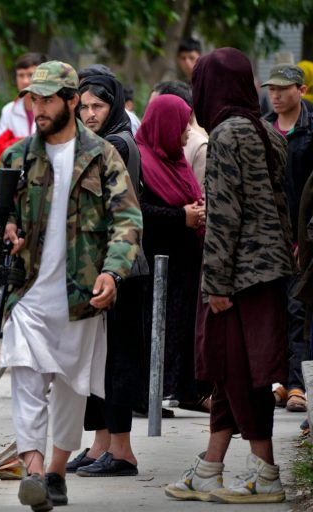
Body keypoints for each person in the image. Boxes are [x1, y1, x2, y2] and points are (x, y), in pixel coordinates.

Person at [0, 61, 142, 509]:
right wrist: (9, 227)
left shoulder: (102, 154)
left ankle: (55, 471)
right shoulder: (17, 156)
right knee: (25, 378)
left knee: (72, 389)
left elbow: (128, 220)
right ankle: (34, 468)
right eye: (34, 99)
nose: (38, 107)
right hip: (28, 293)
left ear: (72, 100)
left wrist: (113, 272)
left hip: (80, 295)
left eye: (48, 98)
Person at [165, 48, 294, 504]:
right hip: (270, 273)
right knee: (229, 370)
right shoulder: (267, 132)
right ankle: (209, 468)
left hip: (237, 279)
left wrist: (216, 283)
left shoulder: (225, 135)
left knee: (239, 373)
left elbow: (223, 216)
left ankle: (267, 472)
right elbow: (282, 210)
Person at [66, 73, 147, 478]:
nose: (89, 113)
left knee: (116, 360)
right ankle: (101, 444)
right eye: (83, 106)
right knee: (97, 359)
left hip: (120, 269)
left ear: (113, 106)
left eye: (97, 106)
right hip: (99, 268)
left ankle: (123, 451)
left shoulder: (117, 143)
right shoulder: (97, 142)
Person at [137, 94, 208, 415]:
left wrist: (197, 211)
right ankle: (151, 394)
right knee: (158, 325)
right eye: (182, 126)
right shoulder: (140, 160)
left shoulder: (175, 158)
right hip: (157, 262)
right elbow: (139, 210)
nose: (186, 134)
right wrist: (182, 216)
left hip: (184, 262)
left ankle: (180, 390)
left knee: (181, 326)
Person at [262, 64, 313, 414]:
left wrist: (304, 237)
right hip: (268, 238)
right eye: (272, 89)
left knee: (299, 310)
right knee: (271, 312)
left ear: (302, 90)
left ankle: (298, 384)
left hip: (303, 237)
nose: (276, 95)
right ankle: (279, 381)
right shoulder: (263, 128)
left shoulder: (311, 129)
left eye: (284, 88)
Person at [150, 81, 209, 193]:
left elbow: (201, 199)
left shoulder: (199, 147)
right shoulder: (146, 143)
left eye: (156, 108)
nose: (150, 114)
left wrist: (183, 211)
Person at [0, 52, 48, 159]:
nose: (25, 81)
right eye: (21, 75)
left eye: (30, 75)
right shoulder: (8, 110)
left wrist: (14, 142)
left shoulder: (53, 108)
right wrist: (26, 142)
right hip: (17, 172)